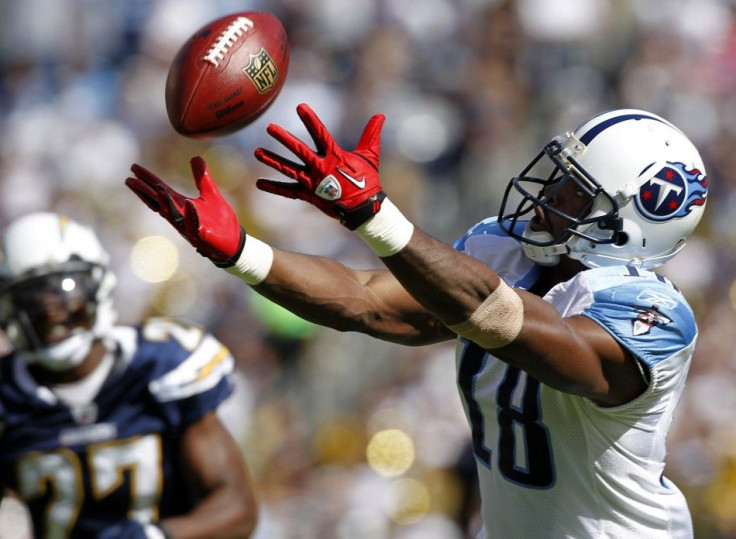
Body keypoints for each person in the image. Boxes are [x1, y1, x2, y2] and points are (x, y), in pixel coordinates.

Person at [126, 104, 708, 538]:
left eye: (575, 192)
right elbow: (366, 300)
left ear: (632, 222)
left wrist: (376, 216)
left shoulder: (652, 315)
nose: (547, 196)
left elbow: (523, 333)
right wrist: (241, 252)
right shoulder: (505, 253)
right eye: (557, 176)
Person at [0, 212, 258, 538]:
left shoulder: (162, 365)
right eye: (31, 303)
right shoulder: (7, 396)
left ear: (100, 286)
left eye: (66, 295)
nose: (52, 315)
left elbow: (237, 509)